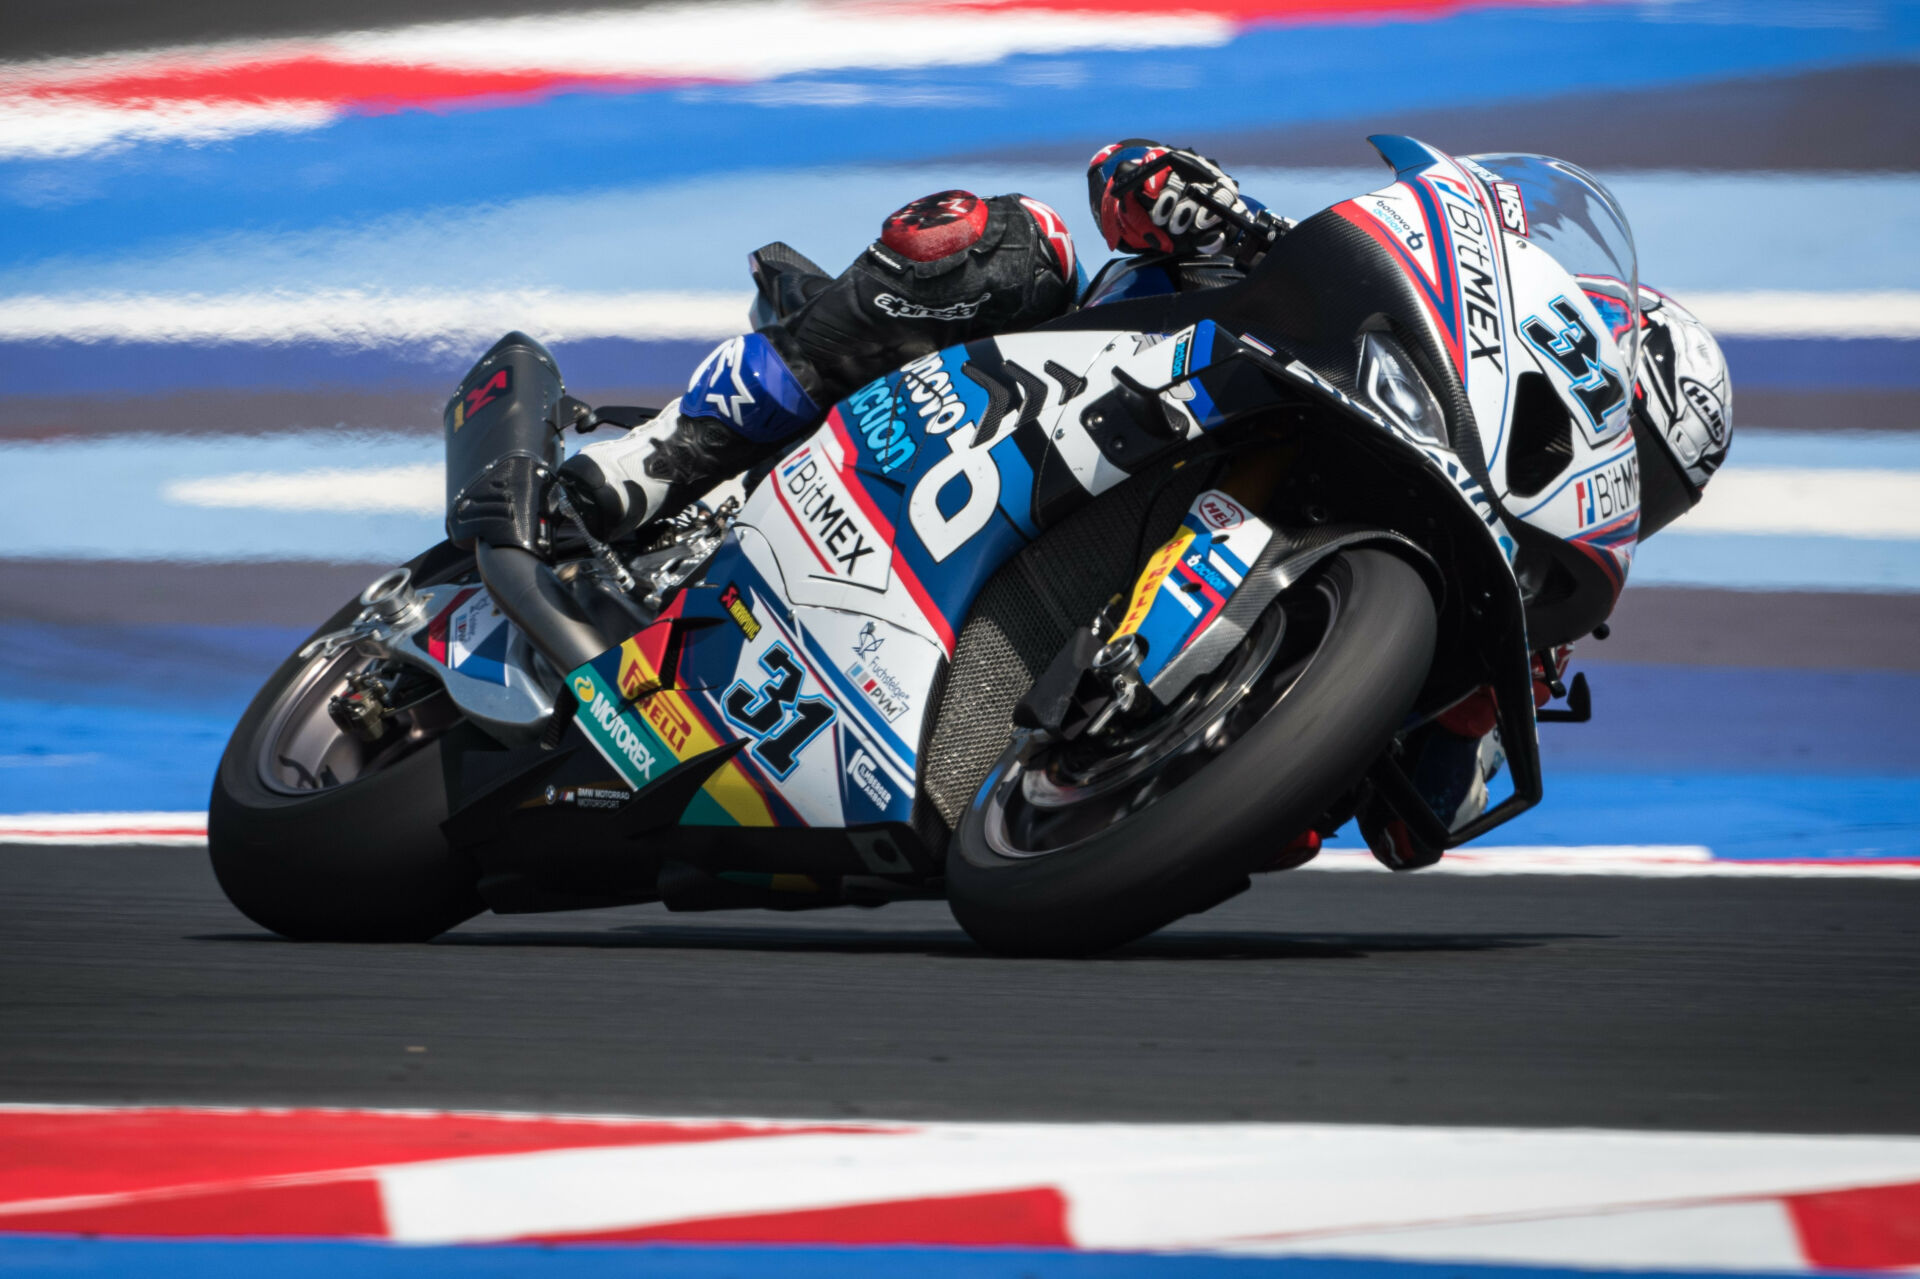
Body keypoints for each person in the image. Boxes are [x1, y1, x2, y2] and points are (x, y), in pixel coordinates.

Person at [557, 140, 1733, 870]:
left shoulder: (1510, 636)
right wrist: (1191, 204)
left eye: (1652, 490)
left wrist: (1472, 709)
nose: (1619, 474)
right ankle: (661, 458)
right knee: (984, 237)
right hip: (1038, 398)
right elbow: (1125, 173)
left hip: (1064, 796)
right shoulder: (1334, 303)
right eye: (1614, 422)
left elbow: (1412, 835)